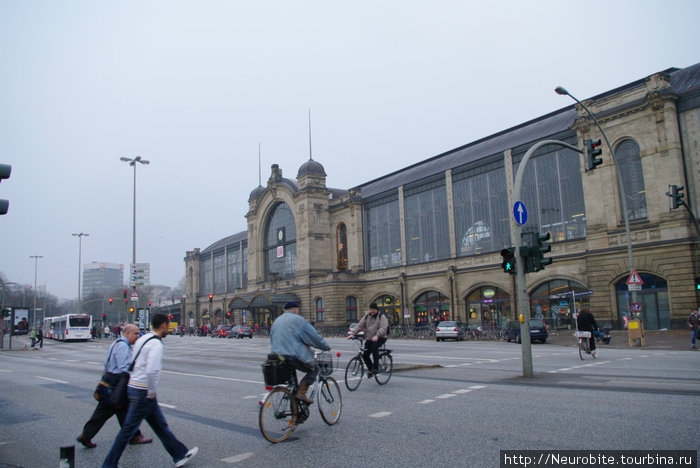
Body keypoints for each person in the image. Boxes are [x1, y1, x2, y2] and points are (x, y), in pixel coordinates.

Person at [102, 314, 198, 468]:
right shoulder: (156, 345)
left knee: (160, 426)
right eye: (168, 326)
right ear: (163, 326)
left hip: (135, 387)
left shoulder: (142, 339)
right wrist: (151, 392)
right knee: (128, 430)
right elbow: (152, 371)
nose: (169, 329)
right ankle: (109, 464)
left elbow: (134, 361)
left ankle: (179, 454)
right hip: (143, 391)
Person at [77, 324, 152, 449]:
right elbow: (124, 367)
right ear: (127, 333)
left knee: (120, 410)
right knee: (110, 410)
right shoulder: (122, 346)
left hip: (111, 381)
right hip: (117, 383)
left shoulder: (117, 344)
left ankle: (134, 435)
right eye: (135, 333)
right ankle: (86, 435)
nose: (137, 336)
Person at [270, 301, 330, 404]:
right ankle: (301, 393)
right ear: (294, 309)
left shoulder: (277, 320)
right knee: (314, 369)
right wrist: (325, 346)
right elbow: (312, 336)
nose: (298, 312)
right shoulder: (298, 320)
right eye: (297, 310)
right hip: (292, 355)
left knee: (290, 376)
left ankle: (292, 395)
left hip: (276, 355)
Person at [348, 302, 389, 377]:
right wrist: (352, 333)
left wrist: (377, 335)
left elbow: (383, 327)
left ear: (376, 309)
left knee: (374, 348)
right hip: (370, 338)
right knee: (365, 355)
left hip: (380, 337)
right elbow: (359, 325)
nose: (372, 311)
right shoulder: (366, 317)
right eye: (371, 309)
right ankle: (371, 370)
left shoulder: (381, 317)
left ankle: (376, 368)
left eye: (373, 309)